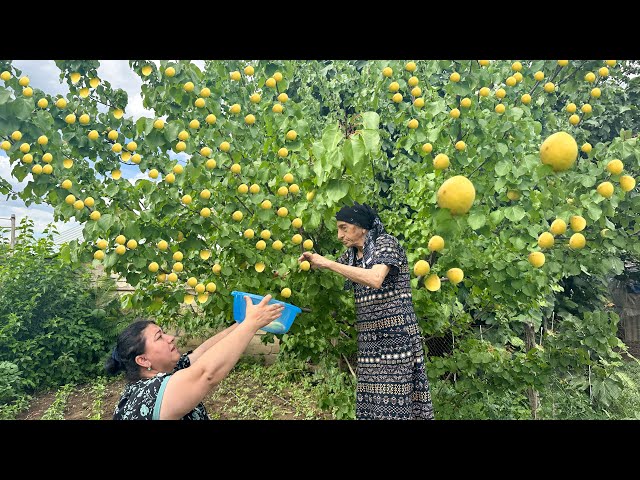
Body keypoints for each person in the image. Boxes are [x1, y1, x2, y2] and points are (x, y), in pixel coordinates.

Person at [298, 202, 434, 420]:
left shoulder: (385, 243)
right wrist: (298, 267)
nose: (339, 235)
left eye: (344, 227)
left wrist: (327, 263)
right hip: (370, 342)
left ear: (361, 226)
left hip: (396, 340)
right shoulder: (353, 256)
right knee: (372, 406)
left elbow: (375, 278)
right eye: (338, 229)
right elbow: (329, 266)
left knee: (394, 407)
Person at [105, 294, 284, 420]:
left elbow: (204, 352)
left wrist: (243, 323)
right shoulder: (148, 394)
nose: (170, 337)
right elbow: (207, 373)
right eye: (159, 337)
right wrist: (252, 324)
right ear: (143, 360)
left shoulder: (167, 372)